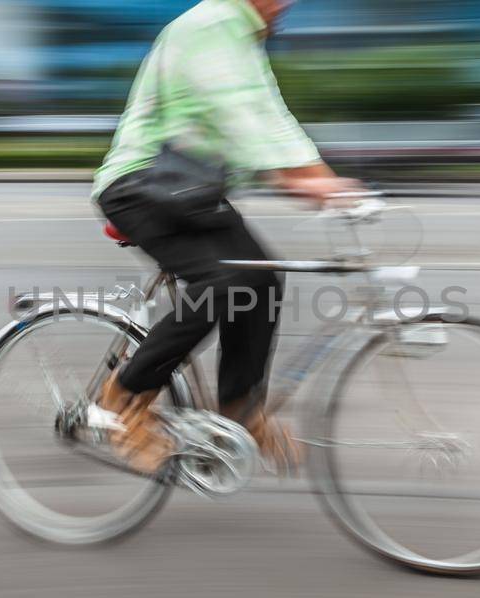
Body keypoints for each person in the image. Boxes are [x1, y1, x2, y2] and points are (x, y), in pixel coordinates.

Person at [92, 0, 360, 475]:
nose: (286, 4)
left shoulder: (243, 35)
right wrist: (295, 180)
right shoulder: (211, 23)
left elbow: (272, 115)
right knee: (221, 283)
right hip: (140, 185)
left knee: (262, 279)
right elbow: (234, 110)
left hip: (188, 191)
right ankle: (124, 398)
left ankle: (238, 409)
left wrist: (328, 181)